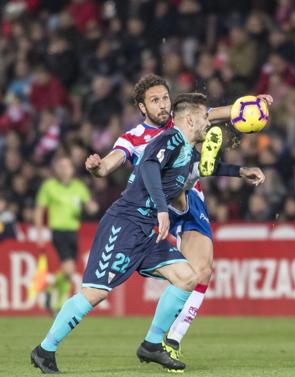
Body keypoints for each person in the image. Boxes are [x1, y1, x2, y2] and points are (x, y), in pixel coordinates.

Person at [85, 74, 271, 356]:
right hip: (154, 204)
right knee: (172, 179)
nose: (162, 105)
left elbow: (218, 113)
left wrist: (252, 105)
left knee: (202, 271)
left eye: (164, 99)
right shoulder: (133, 138)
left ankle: (171, 340)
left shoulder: (183, 119)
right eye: (154, 100)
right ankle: (184, 183)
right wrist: (96, 167)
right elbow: (109, 165)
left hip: (189, 200)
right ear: (142, 107)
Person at [35, 156, 99, 311]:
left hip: (73, 231)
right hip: (59, 231)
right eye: (61, 166)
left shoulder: (79, 187)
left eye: (67, 166)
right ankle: (57, 300)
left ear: (72, 169)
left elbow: (91, 207)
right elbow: (39, 209)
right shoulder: (49, 186)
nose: (64, 169)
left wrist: (93, 207)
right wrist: (39, 233)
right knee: (69, 269)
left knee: (69, 271)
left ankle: (52, 294)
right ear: (56, 169)